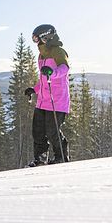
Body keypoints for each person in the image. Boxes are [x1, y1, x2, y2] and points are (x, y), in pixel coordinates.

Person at [24, 24, 70, 166]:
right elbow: (43, 79)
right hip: (43, 101)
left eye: (38, 39)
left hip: (57, 100)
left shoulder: (58, 51)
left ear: (47, 37)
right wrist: (34, 89)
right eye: (35, 40)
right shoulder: (41, 55)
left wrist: (53, 72)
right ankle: (40, 158)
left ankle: (61, 156)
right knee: (37, 131)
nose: (37, 43)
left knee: (52, 131)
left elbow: (64, 68)